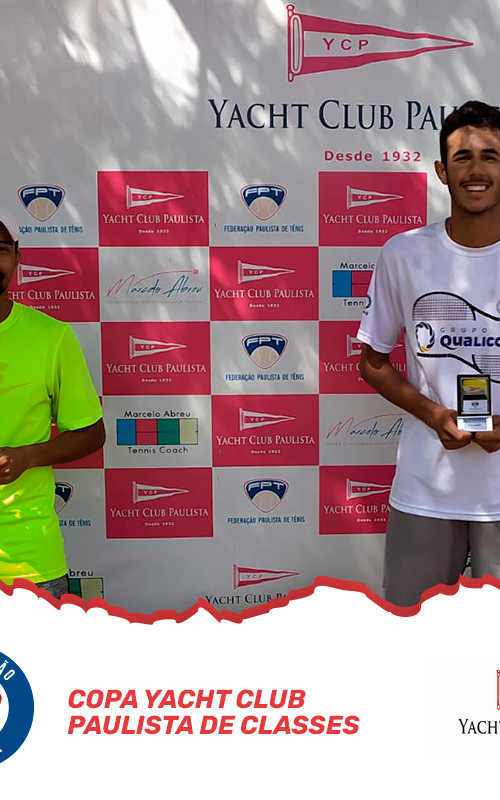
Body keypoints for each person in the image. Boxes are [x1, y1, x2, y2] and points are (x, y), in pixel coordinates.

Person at [357, 100, 500, 606]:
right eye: (462, 157)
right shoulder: (404, 253)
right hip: (426, 491)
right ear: (442, 171)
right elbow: (372, 362)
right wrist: (434, 415)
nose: (476, 170)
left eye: (490, 156)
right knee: (412, 636)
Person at [0, 214, 105, 599]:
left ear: (17, 257)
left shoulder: (52, 337)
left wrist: (27, 457)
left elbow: (92, 433)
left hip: (31, 564)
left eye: (0, 250)